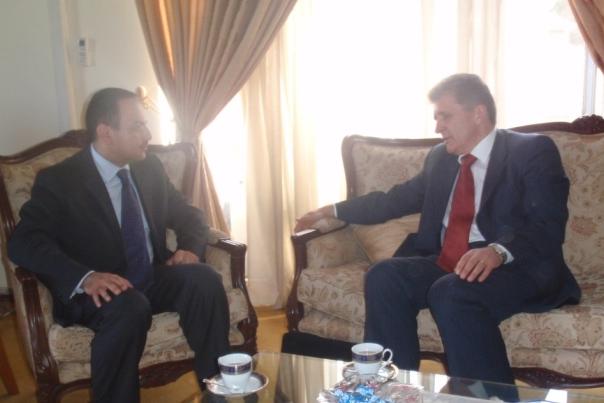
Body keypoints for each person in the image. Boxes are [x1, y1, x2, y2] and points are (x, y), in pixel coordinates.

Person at [295, 73, 581, 385]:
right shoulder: (441, 158)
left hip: (516, 267)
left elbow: (547, 223)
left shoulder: (531, 150)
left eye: (445, 116)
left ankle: (487, 396)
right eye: (436, 118)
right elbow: (395, 200)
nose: (437, 127)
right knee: (384, 275)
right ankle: (394, 388)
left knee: (451, 292)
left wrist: (498, 251)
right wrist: (332, 210)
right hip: (449, 262)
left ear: (478, 113)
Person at [8, 88, 230, 402]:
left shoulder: (148, 168)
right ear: (105, 132)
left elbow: (189, 214)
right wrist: (84, 277)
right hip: (100, 292)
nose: (147, 134)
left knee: (204, 279)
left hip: (151, 276)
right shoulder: (61, 180)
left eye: (145, 125)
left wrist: (190, 248)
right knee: (129, 307)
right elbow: (24, 241)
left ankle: (220, 393)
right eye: (137, 126)